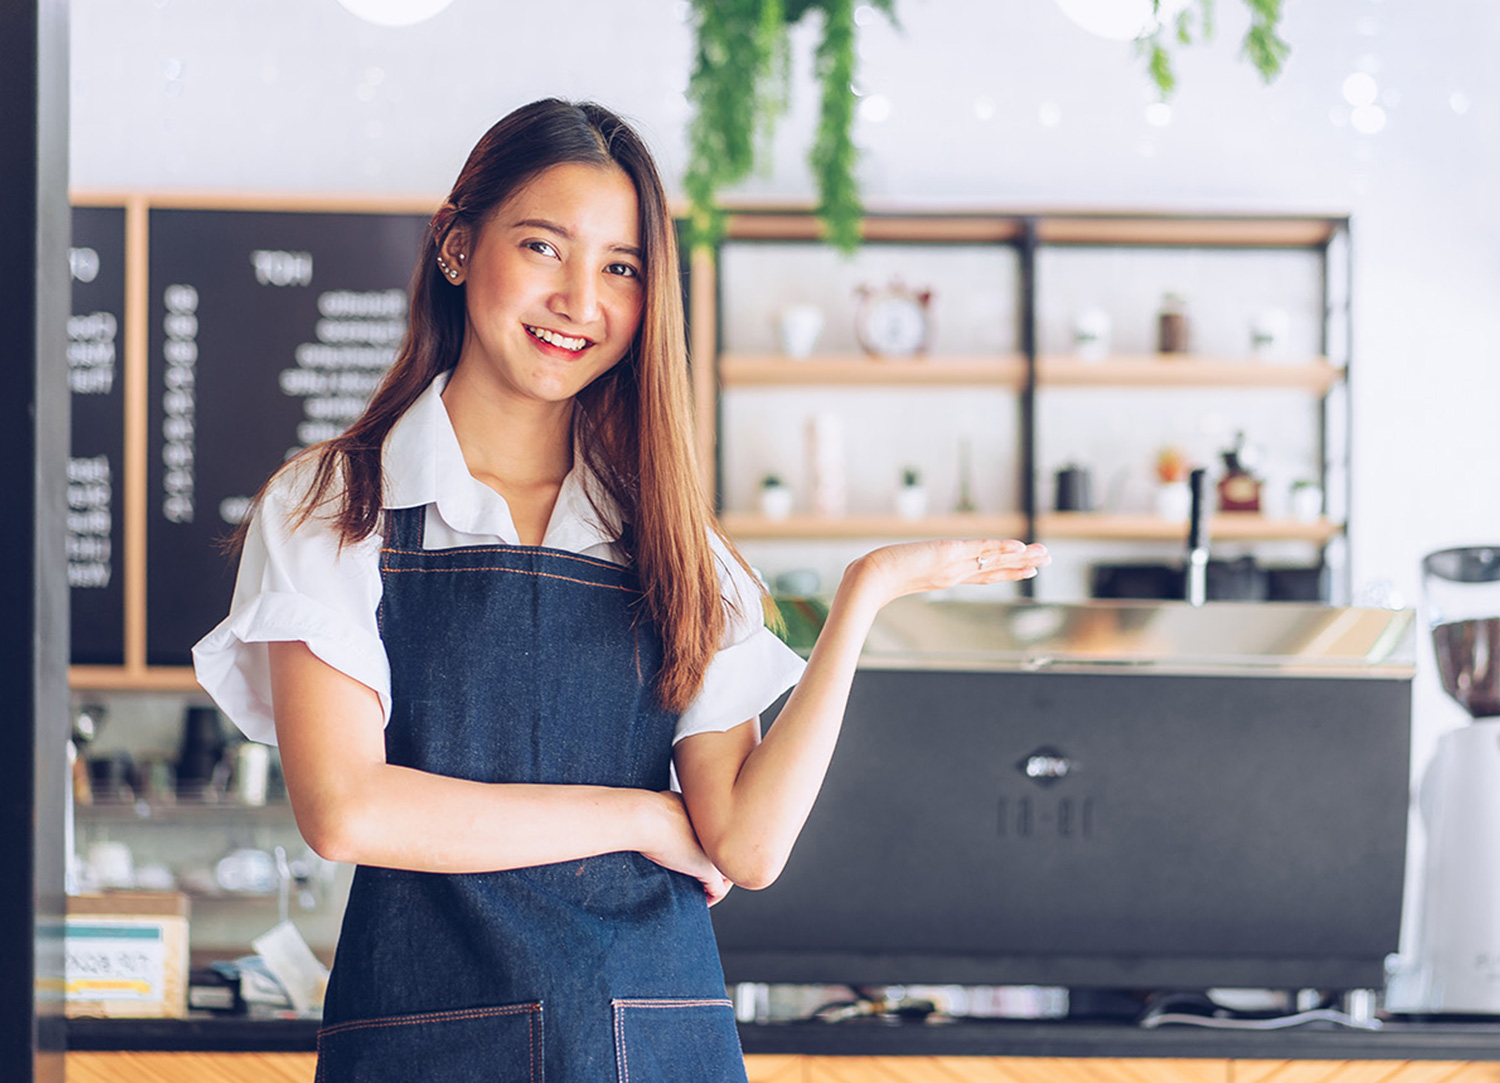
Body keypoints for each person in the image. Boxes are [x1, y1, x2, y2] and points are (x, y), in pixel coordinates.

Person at [191, 98, 1049, 1083]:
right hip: (425, 1045)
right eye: (545, 247)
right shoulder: (338, 504)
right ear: (457, 246)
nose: (579, 300)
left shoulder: (677, 543)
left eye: (621, 268)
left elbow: (749, 845)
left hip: (655, 1046)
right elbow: (348, 811)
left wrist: (863, 597)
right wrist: (640, 816)